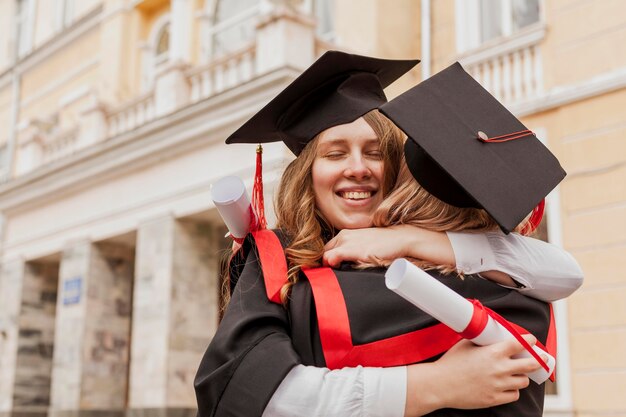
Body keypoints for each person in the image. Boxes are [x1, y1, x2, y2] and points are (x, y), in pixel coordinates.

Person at [195, 52, 583, 417]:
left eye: (375, 152)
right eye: (335, 153)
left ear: (397, 166)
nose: (358, 168)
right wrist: (434, 385)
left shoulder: (441, 253)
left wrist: (416, 240)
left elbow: (566, 275)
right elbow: (247, 394)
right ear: (308, 175)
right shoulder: (280, 259)